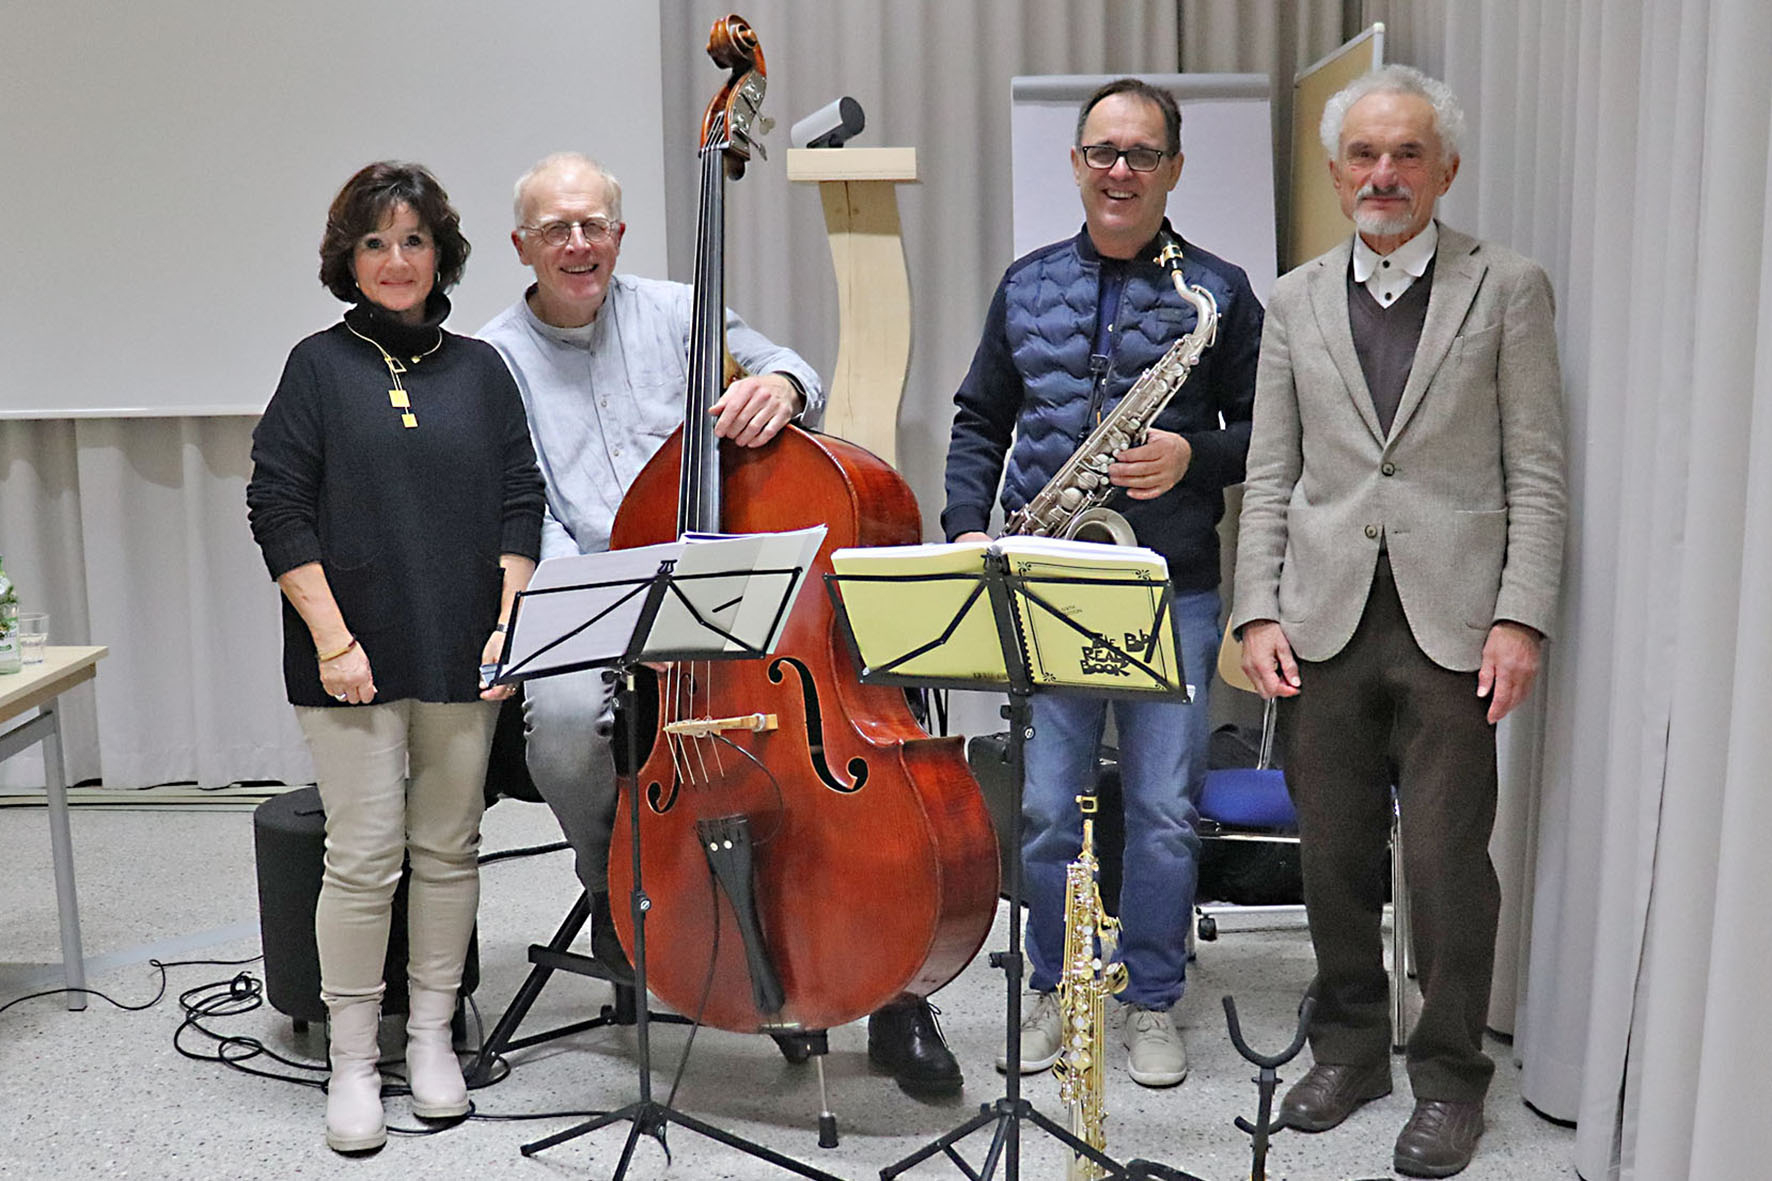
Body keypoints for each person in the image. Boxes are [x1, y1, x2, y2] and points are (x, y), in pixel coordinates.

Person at [478, 151, 965, 1096]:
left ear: (619, 233)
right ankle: (621, 894)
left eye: (595, 225)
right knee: (570, 724)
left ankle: (899, 991)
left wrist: (781, 390)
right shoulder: (495, 356)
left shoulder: (679, 314)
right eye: (555, 230)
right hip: (600, 589)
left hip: (734, 590)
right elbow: (518, 499)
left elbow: (791, 370)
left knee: (874, 683)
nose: (578, 245)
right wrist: (579, 597)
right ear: (522, 246)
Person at [1231, 65, 1567, 1178]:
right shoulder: (1288, 300)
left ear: (1444, 169)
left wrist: (1520, 617)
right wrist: (1253, 609)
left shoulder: (1506, 287)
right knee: (1328, 857)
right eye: (1363, 156)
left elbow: (1536, 470)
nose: (1383, 174)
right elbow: (1269, 473)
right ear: (1334, 174)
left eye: (1406, 154)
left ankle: (1446, 1074)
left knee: (1441, 865)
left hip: (1455, 625)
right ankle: (1348, 1048)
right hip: (1320, 619)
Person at [943, 79, 1263, 1088]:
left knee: (1165, 810)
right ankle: (1053, 983)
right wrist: (965, 532)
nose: (1118, 170)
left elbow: (1273, 434)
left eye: (1139, 153)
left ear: (1170, 167)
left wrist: (1193, 455)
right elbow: (977, 420)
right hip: (1048, 578)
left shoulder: (1219, 291)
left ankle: (1152, 997)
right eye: (1101, 152)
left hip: (1175, 585)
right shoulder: (1024, 282)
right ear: (1077, 163)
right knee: (1044, 808)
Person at [248, 162, 545, 1154]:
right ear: (347, 258)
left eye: (412, 239)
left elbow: (519, 498)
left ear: (440, 254)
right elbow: (277, 506)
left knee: (448, 849)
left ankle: (429, 1041)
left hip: (469, 653)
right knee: (365, 856)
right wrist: (333, 638)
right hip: (350, 660)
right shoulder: (315, 367)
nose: (394, 258)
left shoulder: (482, 369)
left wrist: (509, 626)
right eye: (374, 241)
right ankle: (349, 1061)